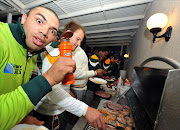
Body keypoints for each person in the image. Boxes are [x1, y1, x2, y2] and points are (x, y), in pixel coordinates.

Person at [0, 6, 76, 130]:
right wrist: (47, 79)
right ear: (23, 18)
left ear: (54, 39)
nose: (45, 32)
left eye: (52, 31)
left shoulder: (32, 54)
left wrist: (20, 117)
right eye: (39, 21)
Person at [33, 21, 106, 130]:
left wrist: (68, 92)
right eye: (77, 39)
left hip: (59, 108)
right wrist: (85, 109)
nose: (79, 44)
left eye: (81, 40)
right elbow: (52, 90)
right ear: (67, 35)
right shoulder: (53, 54)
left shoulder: (66, 53)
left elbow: (61, 82)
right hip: (48, 111)